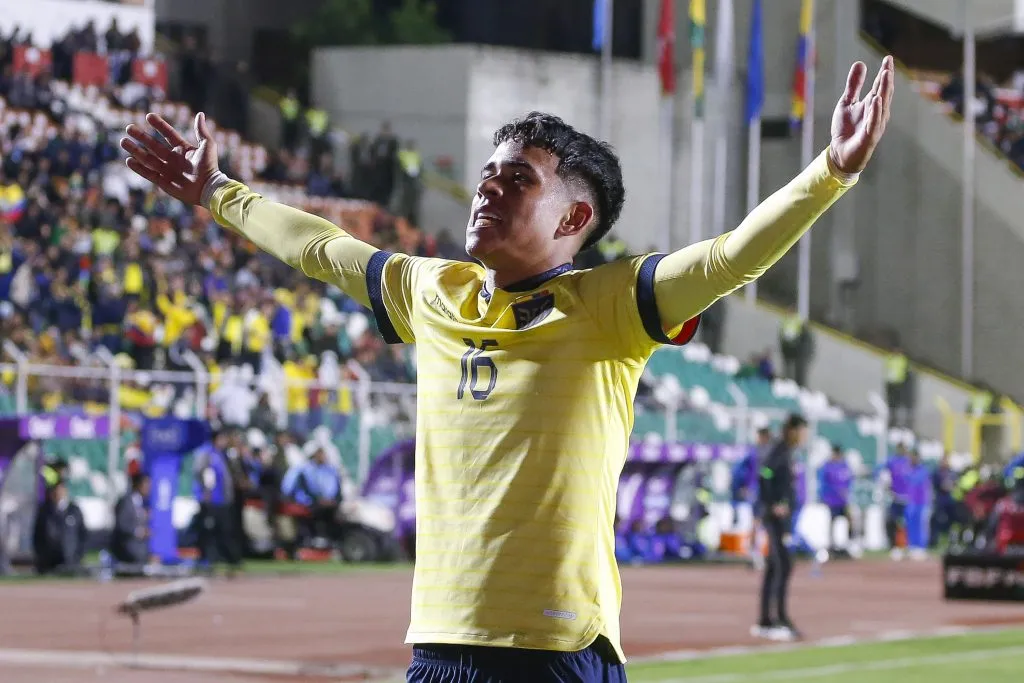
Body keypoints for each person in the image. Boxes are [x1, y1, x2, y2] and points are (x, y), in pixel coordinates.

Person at [120, 56, 894, 682]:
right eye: (490, 173)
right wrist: (216, 193)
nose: (488, 186)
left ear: (573, 219)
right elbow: (321, 246)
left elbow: (730, 256)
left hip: (554, 651)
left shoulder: (613, 303)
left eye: (518, 178)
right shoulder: (433, 290)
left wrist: (830, 169)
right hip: (438, 645)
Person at [753, 414, 808, 642]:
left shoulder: (787, 452)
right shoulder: (779, 451)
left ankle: (769, 618)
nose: (805, 437)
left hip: (783, 520)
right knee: (781, 565)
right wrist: (773, 503)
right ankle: (776, 618)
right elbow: (764, 473)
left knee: (777, 566)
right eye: (803, 431)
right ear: (793, 430)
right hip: (775, 520)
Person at [111, 471, 153, 566]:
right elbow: (121, 524)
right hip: (127, 549)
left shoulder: (142, 502)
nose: (148, 487)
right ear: (138, 484)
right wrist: (139, 531)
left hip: (141, 549)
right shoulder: (125, 502)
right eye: (146, 484)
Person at [818, 444, 853, 554]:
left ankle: (850, 543)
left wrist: (847, 493)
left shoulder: (845, 466)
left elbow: (850, 481)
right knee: (832, 522)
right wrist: (825, 497)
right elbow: (823, 483)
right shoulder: (827, 466)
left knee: (849, 520)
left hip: (844, 501)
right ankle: (831, 544)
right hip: (832, 500)